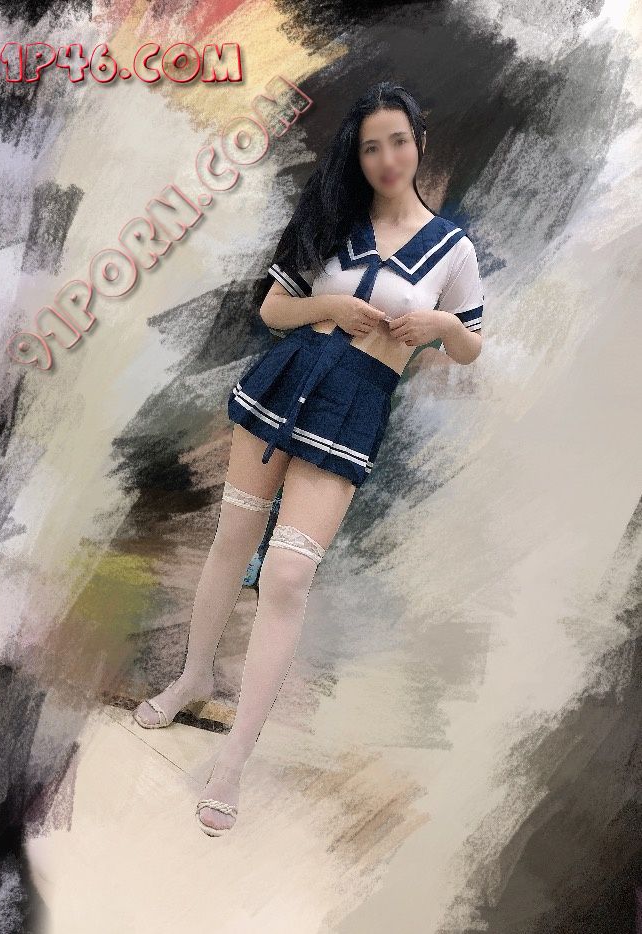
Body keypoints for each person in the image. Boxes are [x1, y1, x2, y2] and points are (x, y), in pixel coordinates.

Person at [133, 81, 485, 835]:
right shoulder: (331, 217)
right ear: (357, 156)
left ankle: (234, 758)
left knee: (288, 576)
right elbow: (273, 309)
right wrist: (331, 307)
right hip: (285, 378)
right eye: (371, 147)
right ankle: (193, 677)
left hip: (353, 406)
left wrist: (440, 326)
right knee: (232, 539)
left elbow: (471, 346)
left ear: (418, 141)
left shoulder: (452, 248)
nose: (387, 158)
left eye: (398, 141)